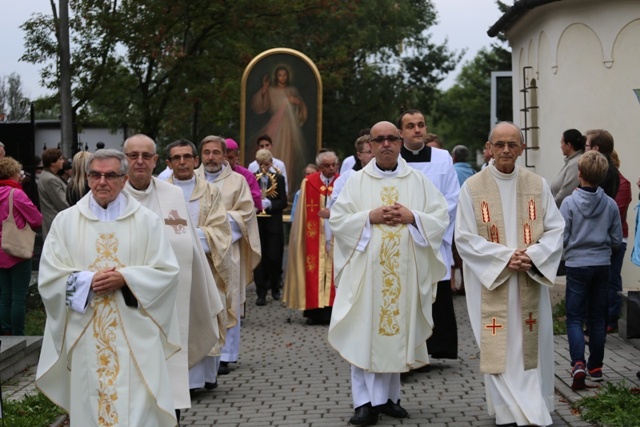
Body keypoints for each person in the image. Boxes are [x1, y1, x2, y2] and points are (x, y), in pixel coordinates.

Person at [36, 149, 181, 427]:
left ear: (124, 179)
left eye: (110, 175)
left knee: (138, 407)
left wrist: (127, 279)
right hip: (86, 333)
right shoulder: (66, 222)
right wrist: (87, 281)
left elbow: (167, 272)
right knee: (90, 406)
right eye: (95, 175)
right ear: (87, 178)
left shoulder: (147, 221)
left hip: (135, 336)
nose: (102, 182)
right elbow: (49, 278)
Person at [328, 121, 449, 425]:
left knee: (395, 332)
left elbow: (441, 216)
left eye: (391, 139)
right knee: (363, 332)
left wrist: (413, 217)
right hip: (366, 275)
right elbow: (338, 221)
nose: (385, 145)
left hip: (404, 274)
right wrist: (369, 216)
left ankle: (390, 398)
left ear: (399, 142)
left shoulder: (418, 181)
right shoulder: (356, 181)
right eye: (378, 139)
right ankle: (364, 402)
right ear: (370, 144)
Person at [455, 121, 564, 427]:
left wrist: (532, 256)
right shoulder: (472, 187)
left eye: (512, 145)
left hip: (529, 277)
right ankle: (505, 409)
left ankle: (534, 404)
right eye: (499, 144)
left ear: (522, 149)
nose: (505, 150)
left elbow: (556, 229)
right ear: (489, 148)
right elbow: (463, 237)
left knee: (528, 344)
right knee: (497, 345)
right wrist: (505, 258)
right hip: (491, 281)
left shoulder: (537, 185)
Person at [123, 135, 225, 415]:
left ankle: (171, 417)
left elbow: (189, 245)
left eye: (146, 156)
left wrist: (205, 295)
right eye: (133, 156)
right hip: (125, 301)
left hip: (170, 300)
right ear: (125, 160)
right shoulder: (113, 196)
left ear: (156, 161)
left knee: (170, 367)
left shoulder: (172, 196)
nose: (140, 161)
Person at [163, 138, 232, 392]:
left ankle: (205, 378)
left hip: (205, 264)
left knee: (205, 315)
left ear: (195, 160)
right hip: (170, 266)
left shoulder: (211, 191)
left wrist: (190, 239)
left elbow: (220, 230)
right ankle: (179, 380)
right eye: (176, 158)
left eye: (187, 157)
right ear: (169, 163)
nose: (182, 162)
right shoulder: (159, 191)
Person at [196, 135, 261, 375]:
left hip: (226, 251)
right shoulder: (191, 179)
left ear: (225, 155)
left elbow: (245, 213)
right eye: (206, 153)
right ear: (200, 156)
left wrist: (216, 232)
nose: (211, 157)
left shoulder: (237, 181)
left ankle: (226, 353)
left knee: (228, 299)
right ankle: (201, 350)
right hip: (197, 251)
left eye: (216, 152)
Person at [399, 109, 460, 361]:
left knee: (437, 295)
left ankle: (438, 346)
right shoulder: (394, 160)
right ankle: (408, 349)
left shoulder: (442, 158)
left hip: (434, 239)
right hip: (403, 238)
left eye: (421, 125)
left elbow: (452, 198)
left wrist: (425, 225)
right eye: (411, 126)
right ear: (401, 132)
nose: (417, 130)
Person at [560, 150, 622, 390]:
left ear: (579, 173)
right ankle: (596, 367)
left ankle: (577, 364)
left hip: (576, 265)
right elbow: (616, 239)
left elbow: (562, 236)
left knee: (575, 317)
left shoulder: (569, 203)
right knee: (598, 318)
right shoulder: (610, 204)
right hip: (602, 265)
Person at [283, 150, 339, 325]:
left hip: (336, 235)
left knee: (333, 272)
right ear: (319, 167)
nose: (331, 169)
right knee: (313, 269)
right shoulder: (309, 183)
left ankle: (332, 311)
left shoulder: (342, 182)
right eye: (326, 166)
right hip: (313, 235)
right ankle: (314, 312)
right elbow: (301, 214)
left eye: (333, 165)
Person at [0, 157, 43, 335]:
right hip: (17, 250)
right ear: (12, 173)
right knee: (18, 296)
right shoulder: (16, 194)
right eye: (19, 172)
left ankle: (5, 331)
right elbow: (36, 219)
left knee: (4, 296)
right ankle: (18, 333)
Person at [250, 64, 305, 195]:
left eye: (285, 75)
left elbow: (301, 110)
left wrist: (298, 103)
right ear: (276, 76)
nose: (282, 77)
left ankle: (287, 191)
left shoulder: (292, 90)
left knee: (289, 155)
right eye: (280, 75)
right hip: (276, 124)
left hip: (290, 128)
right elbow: (260, 106)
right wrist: (264, 89)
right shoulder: (271, 90)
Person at [253, 149, 288, 306]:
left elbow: (283, 202)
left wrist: (270, 204)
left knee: (274, 257)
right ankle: (261, 293)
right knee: (259, 260)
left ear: (271, 163)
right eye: (261, 164)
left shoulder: (279, 179)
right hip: (258, 224)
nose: (264, 168)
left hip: (274, 224)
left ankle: (275, 288)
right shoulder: (252, 178)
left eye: (266, 164)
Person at [607, 150, 632, 333]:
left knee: (613, 279)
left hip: (617, 239)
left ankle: (612, 319)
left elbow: (618, 211)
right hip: (602, 239)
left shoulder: (623, 184)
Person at [451, 144, 476, 295]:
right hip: (471, 217)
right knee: (466, 251)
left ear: (453, 157)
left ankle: (452, 283)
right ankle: (465, 285)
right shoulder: (473, 172)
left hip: (455, 216)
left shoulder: (452, 171)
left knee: (453, 251)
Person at [330, 135, 374, 206]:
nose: (373, 155)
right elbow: (336, 202)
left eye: (375, 151)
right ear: (359, 155)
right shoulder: (346, 177)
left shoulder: (385, 174)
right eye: (369, 152)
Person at [37, 148, 69, 240]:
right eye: (60, 159)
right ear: (52, 163)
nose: (63, 161)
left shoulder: (49, 176)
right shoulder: (51, 179)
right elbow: (63, 203)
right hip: (55, 224)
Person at [550, 129, 585, 208]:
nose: (561, 146)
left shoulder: (576, 163)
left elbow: (566, 192)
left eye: (562, 143)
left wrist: (550, 208)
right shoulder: (571, 161)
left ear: (569, 145)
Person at [225, 138, 262, 211]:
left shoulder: (247, 175)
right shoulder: (213, 174)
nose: (226, 161)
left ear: (237, 157)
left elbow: (255, 201)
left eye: (230, 157)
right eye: (224, 157)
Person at [584, 129, 619, 199]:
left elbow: (590, 199)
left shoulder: (601, 171)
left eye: (586, 146)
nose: (584, 149)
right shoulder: (612, 170)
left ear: (595, 148)